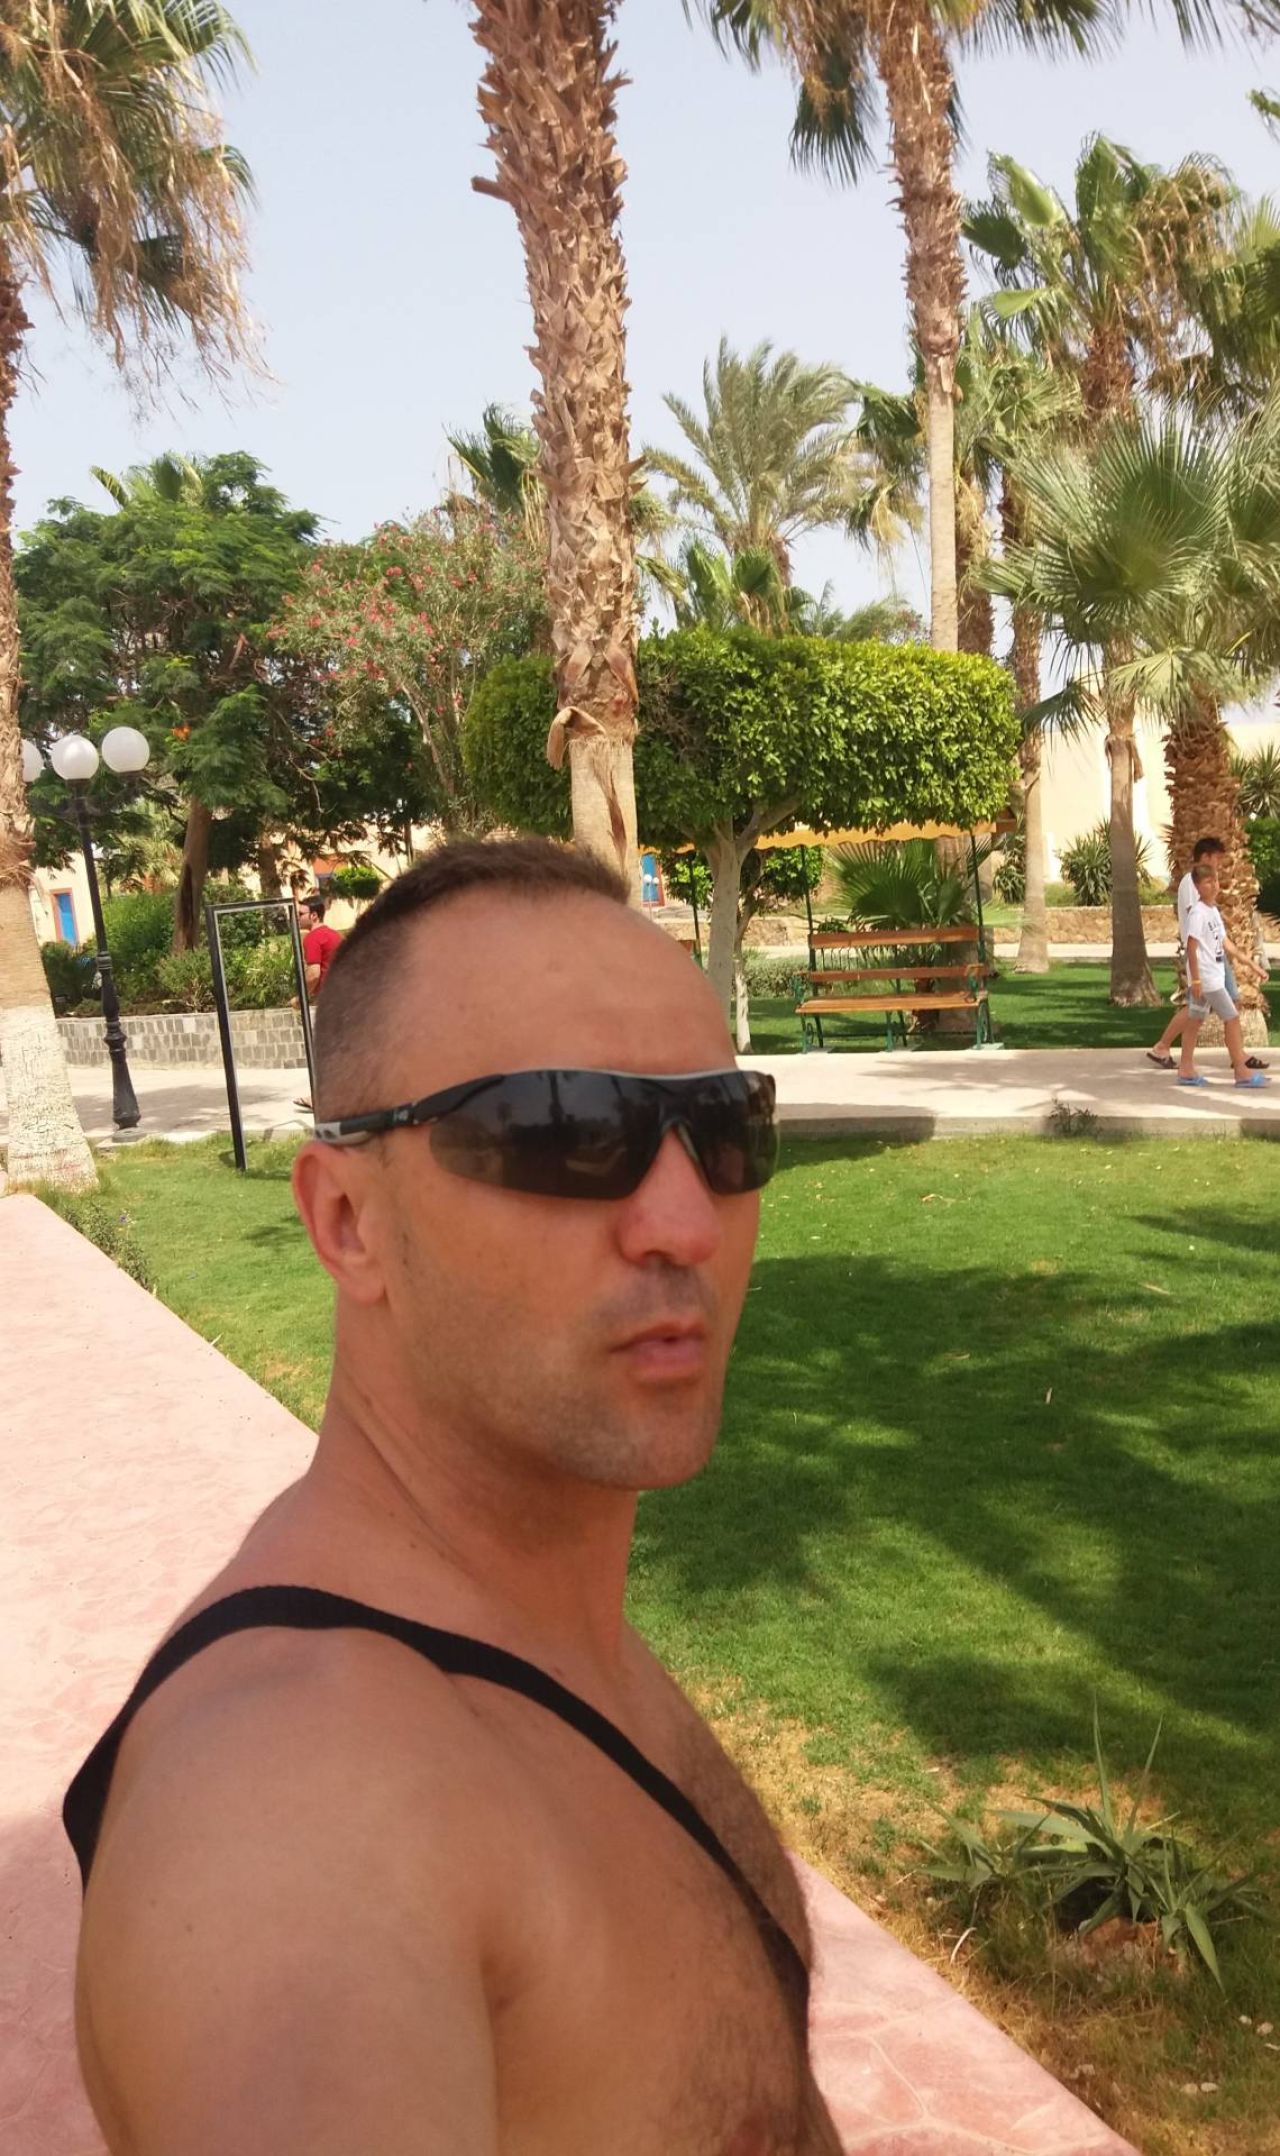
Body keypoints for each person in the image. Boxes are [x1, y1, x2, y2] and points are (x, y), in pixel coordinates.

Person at [64, 837, 844, 2156]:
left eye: (724, 1129)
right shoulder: (294, 1801)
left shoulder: (535, 1620)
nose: (686, 1223)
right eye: (563, 1132)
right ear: (347, 1221)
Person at [1148, 836, 1268, 1071]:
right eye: (1216, 859)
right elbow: (1196, 928)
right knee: (1206, 1011)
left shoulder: (1203, 893)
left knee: (1214, 1008)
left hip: (1214, 955)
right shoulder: (1192, 885)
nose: (1219, 866)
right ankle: (1234, 1061)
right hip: (1206, 958)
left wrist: (1250, 963)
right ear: (1205, 857)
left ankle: (1233, 1056)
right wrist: (1196, 977)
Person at [1177, 861, 1269, 1088]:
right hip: (1207, 978)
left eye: (1215, 880)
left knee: (1195, 1020)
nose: (1214, 885)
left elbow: (1227, 944)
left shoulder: (1213, 912)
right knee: (1232, 1018)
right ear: (1197, 887)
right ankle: (1241, 1071)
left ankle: (1186, 1069)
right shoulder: (1198, 914)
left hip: (1213, 975)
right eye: (1208, 882)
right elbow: (1191, 948)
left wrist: (1252, 965)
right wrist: (1196, 979)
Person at [298, 891, 343, 1000]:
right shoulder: (335, 935)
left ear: (314, 915)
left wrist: (300, 999)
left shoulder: (312, 938)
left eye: (300, 914)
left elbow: (314, 974)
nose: (297, 918)